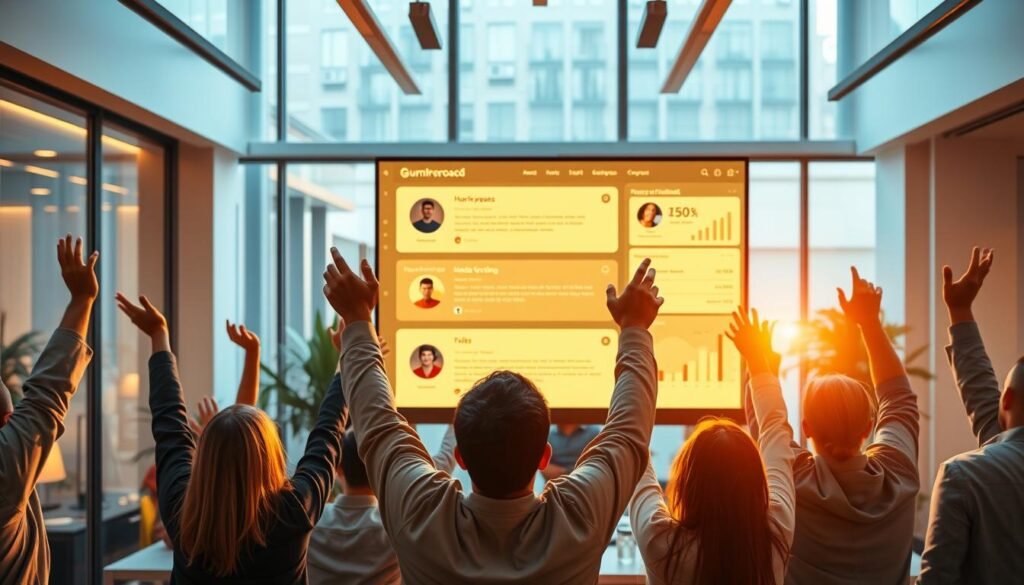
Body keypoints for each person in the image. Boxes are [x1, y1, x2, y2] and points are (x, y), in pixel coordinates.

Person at [323, 251, 662, 583]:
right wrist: (633, 326)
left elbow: (378, 424)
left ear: (461, 458)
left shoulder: (421, 513)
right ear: (545, 456)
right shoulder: (579, 516)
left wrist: (356, 318)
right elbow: (627, 432)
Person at [116, 294, 345, 584]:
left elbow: (169, 423)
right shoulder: (294, 511)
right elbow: (328, 431)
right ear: (271, 455)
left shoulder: (182, 512)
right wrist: (348, 356)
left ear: (207, 455)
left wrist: (159, 337)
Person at [748, 268, 920, 585]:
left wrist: (759, 366)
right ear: (868, 426)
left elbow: (767, 425)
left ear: (807, 427)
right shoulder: (899, 475)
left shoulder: (793, 479)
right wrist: (869, 323)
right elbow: (899, 397)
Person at [630, 308, 796, 585]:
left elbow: (631, 443)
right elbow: (775, 431)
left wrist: (633, 331)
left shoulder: (660, 542)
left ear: (687, 481)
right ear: (756, 480)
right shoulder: (776, 532)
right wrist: (758, 359)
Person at [919, 247, 1024, 584]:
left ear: (1006, 399)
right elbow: (983, 399)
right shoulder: (988, 460)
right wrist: (960, 310)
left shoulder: (964, 475)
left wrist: (959, 308)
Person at [0, 234, 97, 585]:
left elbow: (45, 398)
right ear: (7, 423)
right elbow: (47, 394)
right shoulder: (4, 470)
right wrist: (83, 299)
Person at [308, 426, 457, 585]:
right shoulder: (395, 524)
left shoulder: (311, 522)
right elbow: (437, 470)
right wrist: (455, 424)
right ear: (378, 467)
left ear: (338, 469)